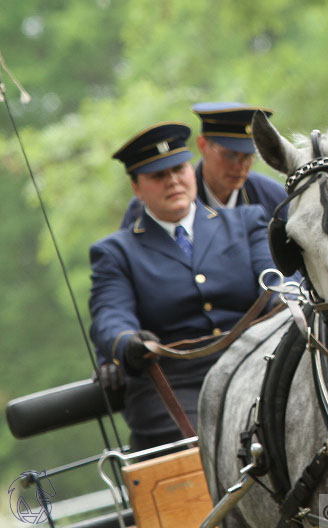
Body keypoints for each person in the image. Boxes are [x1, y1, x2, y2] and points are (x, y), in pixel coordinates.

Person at [90, 122, 276, 451]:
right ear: (136, 187)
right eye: (158, 176)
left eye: (178, 169)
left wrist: (286, 298)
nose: (173, 181)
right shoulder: (115, 252)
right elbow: (109, 315)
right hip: (172, 382)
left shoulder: (246, 221)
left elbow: (274, 280)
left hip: (257, 358)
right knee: (191, 454)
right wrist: (128, 342)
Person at [120, 102, 286, 227]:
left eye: (248, 157)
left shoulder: (272, 197)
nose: (240, 166)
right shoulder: (161, 202)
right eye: (230, 155)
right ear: (203, 145)